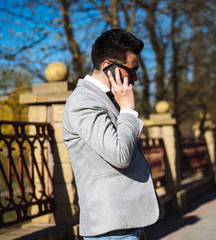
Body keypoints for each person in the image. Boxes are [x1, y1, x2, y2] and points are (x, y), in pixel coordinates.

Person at [62, 29, 164, 240]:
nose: (135, 77)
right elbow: (120, 156)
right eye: (132, 70)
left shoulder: (107, 98)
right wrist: (127, 109)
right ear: (109, 66)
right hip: (111, 229)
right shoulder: (84, 102)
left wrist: (137, 226)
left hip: (124, 225)